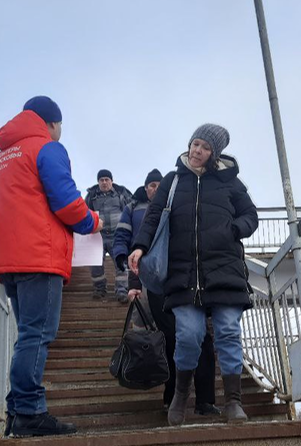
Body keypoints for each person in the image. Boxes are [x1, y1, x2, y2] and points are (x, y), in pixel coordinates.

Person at [0, 96, 101, 438]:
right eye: (60, 125)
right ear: (51, 122)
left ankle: (16, 411)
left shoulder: (1, 158)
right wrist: (92, 221)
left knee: (28, 335)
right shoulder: (46, 148)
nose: (61, 131)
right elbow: (67, 203)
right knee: (38, 334)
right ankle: (30, 412)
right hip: (39, 255)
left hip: (9, 259)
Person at [129, 124, 258, 426]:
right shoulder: (173, 181)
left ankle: (234, 402)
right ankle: (179, 397)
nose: (197, 150)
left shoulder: (230, 182)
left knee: (227, 332)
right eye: (195, 143)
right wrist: (139, 247)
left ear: (215, 154)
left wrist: (232, 230)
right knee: (188, 335)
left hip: (224, 269)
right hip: (182, 273)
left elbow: (250, 215)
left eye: (205, 147)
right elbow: (152, 218)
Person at [114, 169, 221, 418]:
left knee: (203, 338)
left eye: (158, 185)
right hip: (157, 284)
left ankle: (205, 400)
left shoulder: (182, 202)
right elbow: (133, 246)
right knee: (170, 338)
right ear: (146, 188)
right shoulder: (137, 209)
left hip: (190, 281)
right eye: (151, 185)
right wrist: (133, 281)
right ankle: (172, 397)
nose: (154, 189)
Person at [85, 169, 133, 302]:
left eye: (107, 179)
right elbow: (84, 213)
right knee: (95, 264)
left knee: (121, 263)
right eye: (101, 180)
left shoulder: (121, 194)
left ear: (112, 181)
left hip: (117, 236)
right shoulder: (91, 196)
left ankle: (122, 291)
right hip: (97, 237)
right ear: (98, 182)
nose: (104, 182)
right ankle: (99, 289)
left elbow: (131, 210)